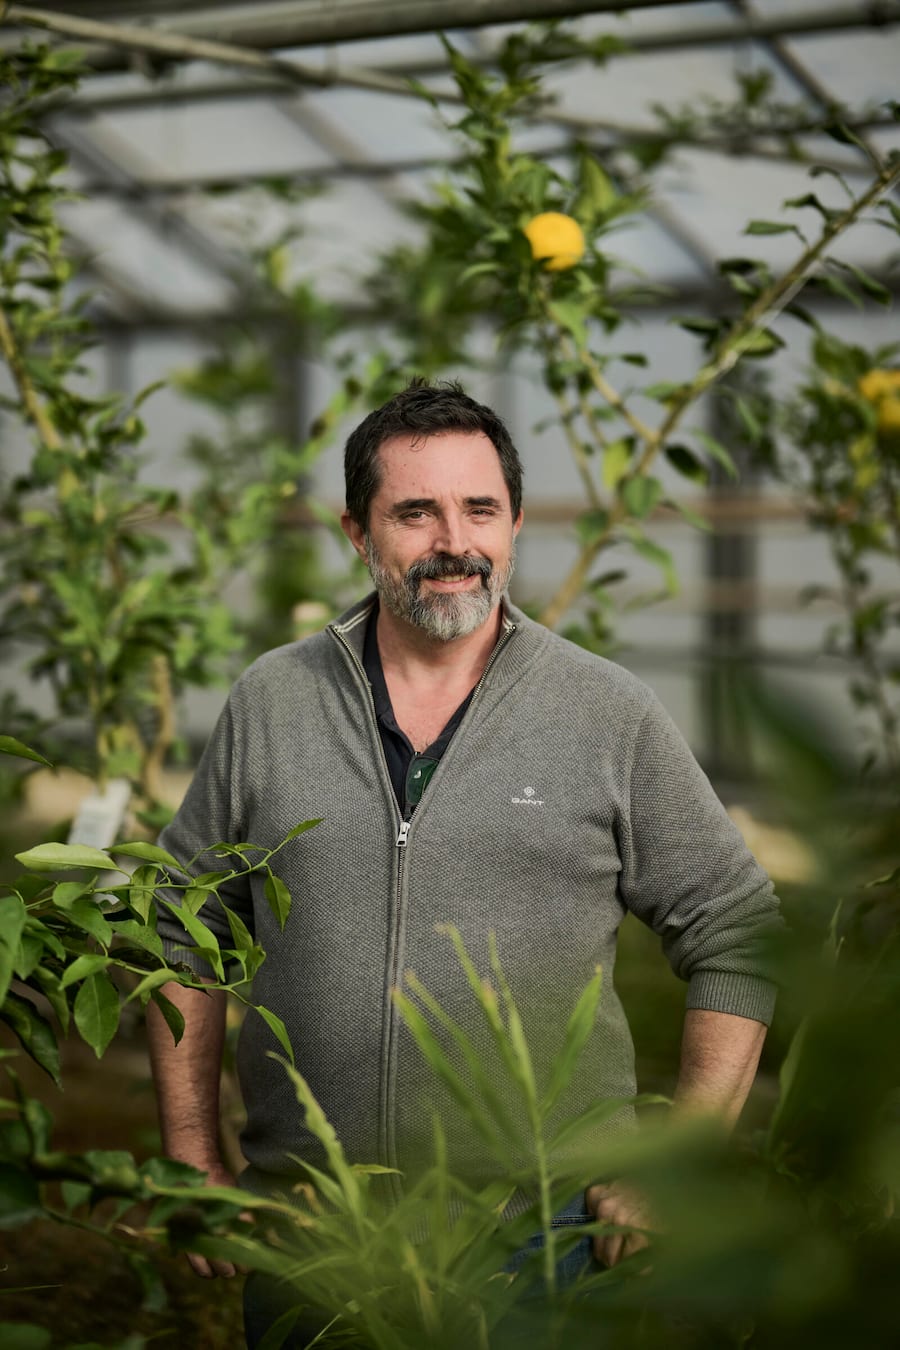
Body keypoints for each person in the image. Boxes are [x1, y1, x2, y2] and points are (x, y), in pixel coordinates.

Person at [147, 378, 781, 1344]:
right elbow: (179, 926)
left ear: (516, 522)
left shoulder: (606, 715)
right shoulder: (272, 704)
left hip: (541, 1240)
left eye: (479, 508)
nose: (454, 540)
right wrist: (190, 1151)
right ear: (357, 533)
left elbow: (736, 927)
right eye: (415, 512)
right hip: (313, 1235)